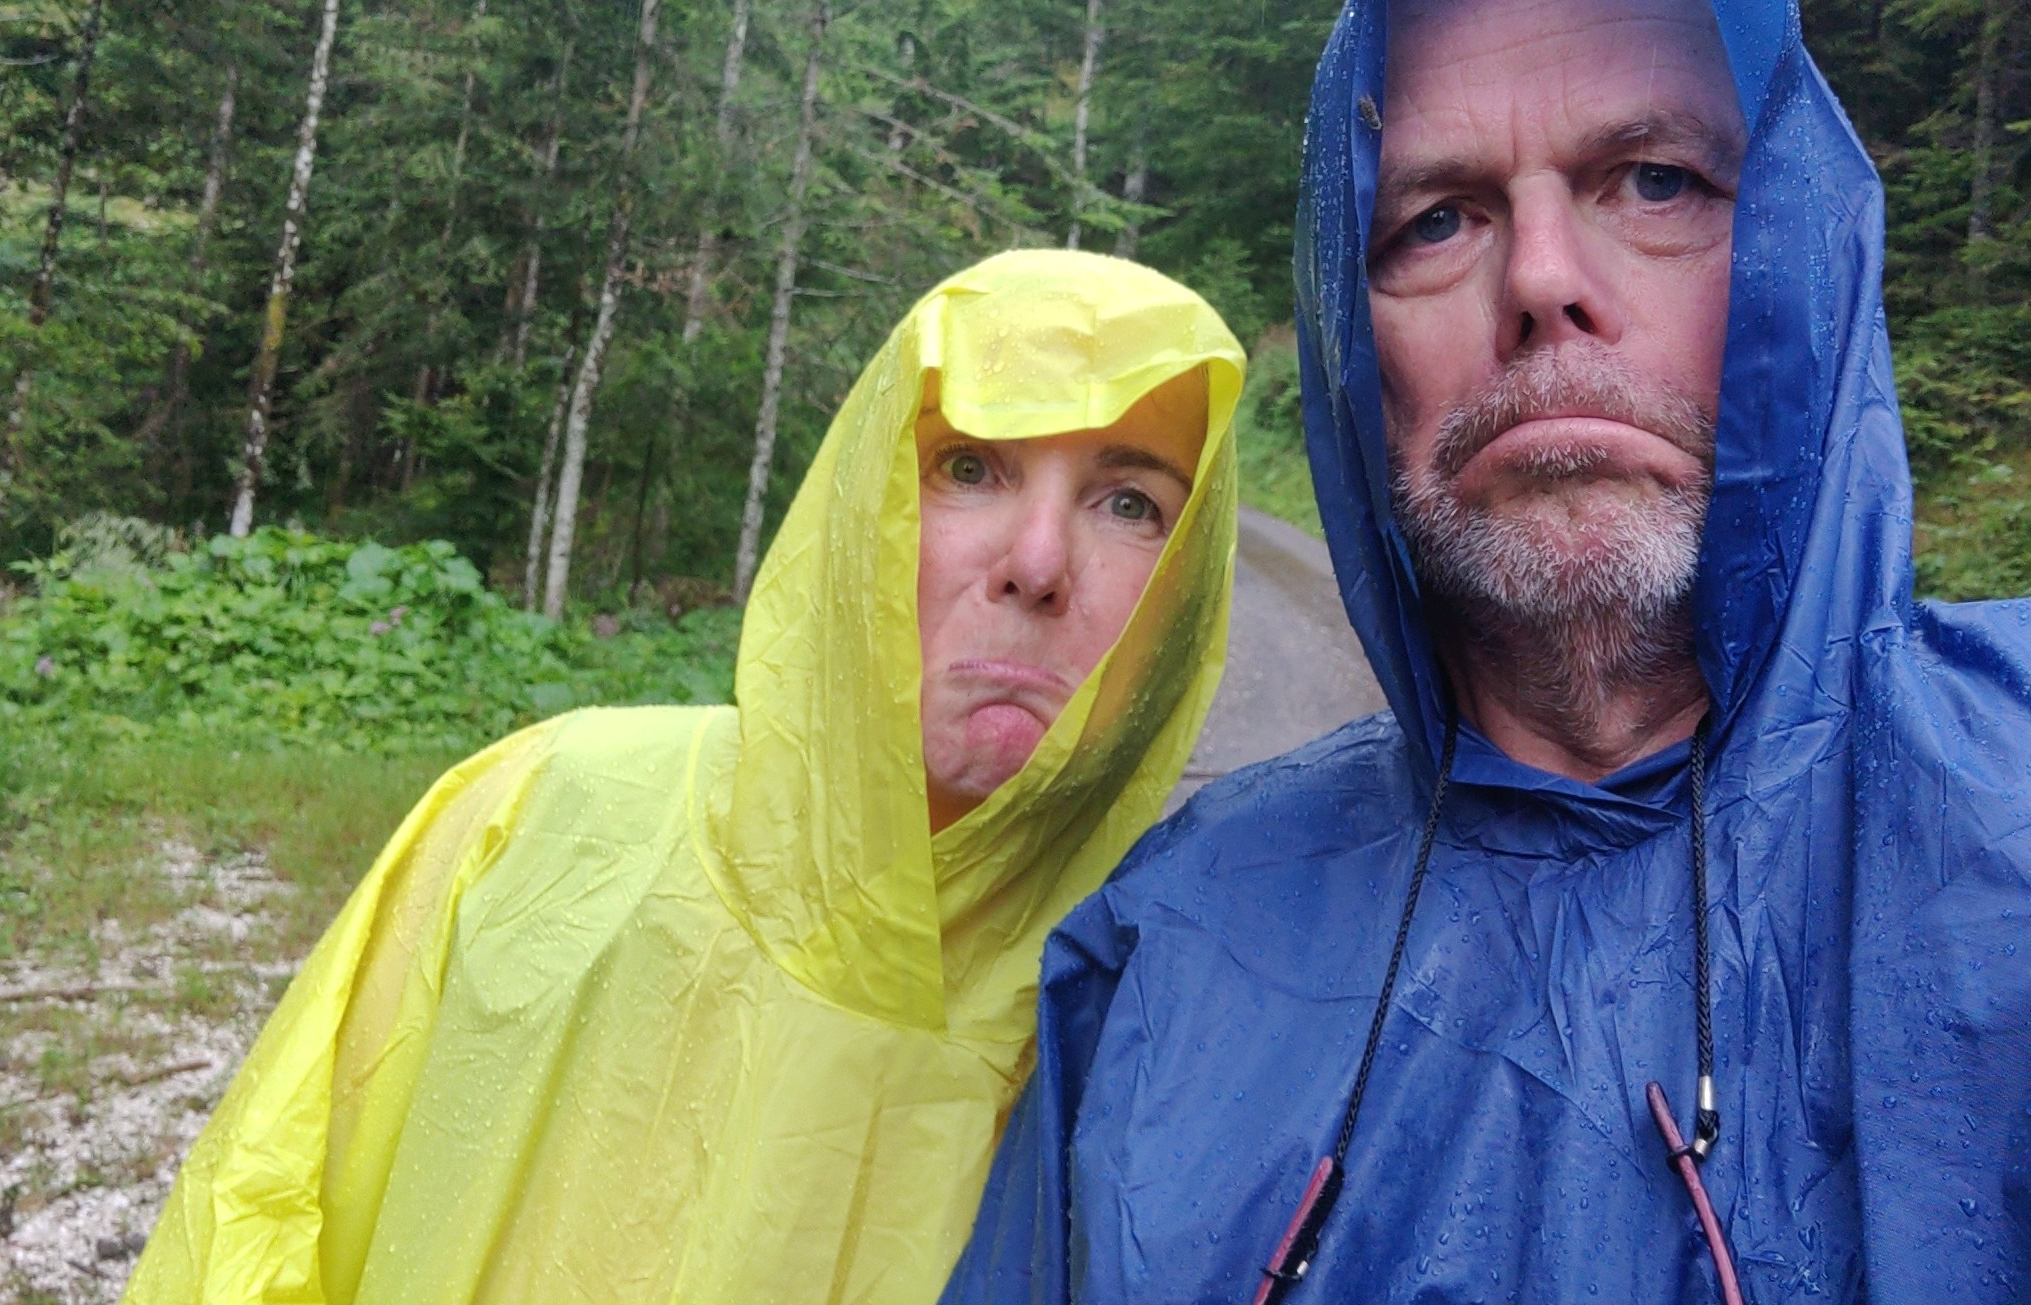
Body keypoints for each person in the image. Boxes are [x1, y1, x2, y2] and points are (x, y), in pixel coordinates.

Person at [944, 0, 2031, 1304]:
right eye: (1437, 220)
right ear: (1358, 343)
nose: (1544, 281)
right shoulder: (1166, 955)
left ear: (1798, 252)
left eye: (1658, 183)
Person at [124, 249, 1245, 1305]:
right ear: (865, 507)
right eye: (968, 468)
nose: (1038, 564)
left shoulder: (1180, 1027)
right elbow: (260, 1218)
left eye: (1131, 504)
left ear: (1187, 593)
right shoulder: (540, 817)